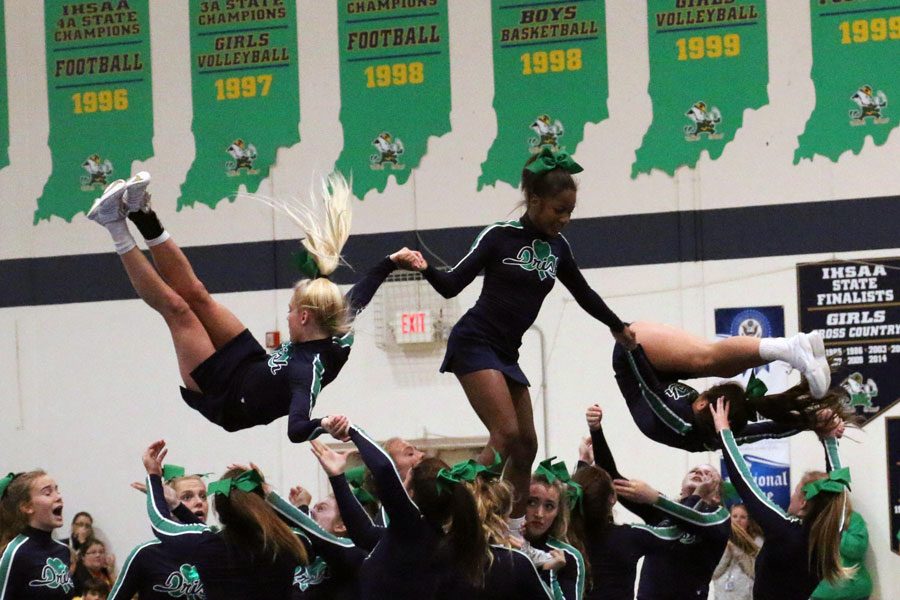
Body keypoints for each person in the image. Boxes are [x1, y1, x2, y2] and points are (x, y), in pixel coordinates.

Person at [87, 171, 421, 442]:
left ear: (304, 317)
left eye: (290, 310)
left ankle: (113, 224)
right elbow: (358, 298)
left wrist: (325, 423)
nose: (286, 315)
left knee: (178, 310)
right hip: (250, 362)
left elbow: (296, 429)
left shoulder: (307, 370)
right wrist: (390, 262)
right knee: (198, 295)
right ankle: (139, 213)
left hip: (227, 397)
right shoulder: (335, 331)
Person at [411, 148, 634, 515]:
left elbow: (583, 293)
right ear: (533, 200)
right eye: (557, 209)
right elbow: (452, 285)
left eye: (570, 211)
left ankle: (513, 524)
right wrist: (424, 268)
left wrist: (617, 325)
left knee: (527, 444)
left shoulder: (558, 248)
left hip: (505, 352)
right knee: (506, 434)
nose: (564, 219)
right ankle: (456, 507)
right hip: (475, 341)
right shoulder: (499, 236)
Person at [319, 417, 488, 599]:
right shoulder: (425, 537)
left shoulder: (413, 530)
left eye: (407, 478)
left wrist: (351, 430)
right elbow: (364, 533)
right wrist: (337, 476)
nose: (419, 455)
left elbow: (384, 470)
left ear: (412, 492)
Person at [611, 322, 848, 451]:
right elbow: (766, 430)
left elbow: (649, 388)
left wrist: (631, 347)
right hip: (656, 369)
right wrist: (810, 422)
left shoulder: (678, 420)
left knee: (707, 358)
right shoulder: (714, 436)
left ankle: (791, 348)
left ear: (703, 402)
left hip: (631, 358)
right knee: (719, 364)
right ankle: (790, 348)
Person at [711, 396, 852, 599]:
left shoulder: (785, 531)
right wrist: (828, 437)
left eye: (795, 493)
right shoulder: (828, 535)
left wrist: (724, 431)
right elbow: (836, 492)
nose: (791, 498)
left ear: (803, 502)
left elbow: (745, 482)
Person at [587, 405, 731, 600]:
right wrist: (596, 431)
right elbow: (612, 479)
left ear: (716, 496)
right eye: (695, 470)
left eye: (708, 474)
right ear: (681, 488)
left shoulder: (718, 516)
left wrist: (660, 498)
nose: (700, 473)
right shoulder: (660, 510)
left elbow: (694, 519)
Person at [140, 441, 307, 599]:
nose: (199, 502)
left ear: (219, 510)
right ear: (262, 501)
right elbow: (311, 530)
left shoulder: (211, 546)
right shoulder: (290, 542)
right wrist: (268, 493)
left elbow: (160, 523)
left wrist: (154, 477)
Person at [568, 465, 683, 600]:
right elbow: (675, 531)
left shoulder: (565, 536)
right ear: (612, 498)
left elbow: (581, 499)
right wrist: (656, 498)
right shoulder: (628, 537)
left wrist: (583, 464)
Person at [110, 473, 210, 600]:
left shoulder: (220, 548)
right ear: (168, 504)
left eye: (203, 496)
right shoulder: (146, 554)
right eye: (187, 497)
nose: (199, 502)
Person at [0, 470, 75, 598]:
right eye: (47, 493)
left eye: (57, 490)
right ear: (27, 507)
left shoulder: (63, 551)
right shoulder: (16, 553)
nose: (58, 497)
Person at [524, 463, 586, 599]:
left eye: (549, 506)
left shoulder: (569, 556)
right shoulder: (504, 545)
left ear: (558, 512)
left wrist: (548, 572)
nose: (539, 514)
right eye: (532, 502)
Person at [810, 503, 873, 600]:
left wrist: (834, 531)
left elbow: (858, 549)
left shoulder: (852, 518)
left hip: (854, 591)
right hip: (821, 592)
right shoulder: (809, 519)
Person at [712, 504, 763, 600]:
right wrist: (727, 552)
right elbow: (714, 573)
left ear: (749, 520)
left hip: (745, 595)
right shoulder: (720, 539)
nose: (738, 520)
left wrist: (738, 551)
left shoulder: (757, 541)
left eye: (743, 517)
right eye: (734, 516)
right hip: (722, 595)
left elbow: (755, 573)